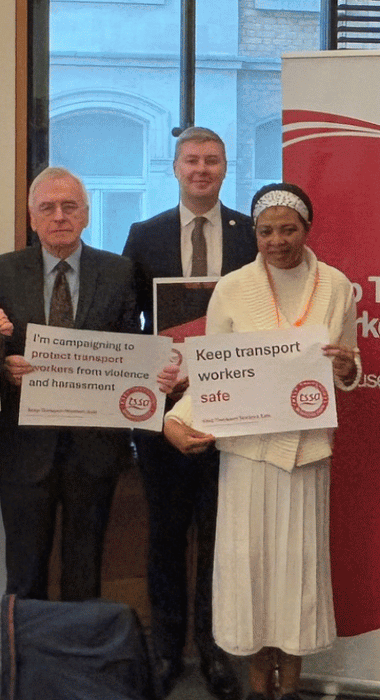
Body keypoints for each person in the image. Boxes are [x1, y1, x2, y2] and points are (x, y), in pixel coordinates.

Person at [162, 182, 360, 700]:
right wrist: (174, 420)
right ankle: (256, 685)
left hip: (306, 453)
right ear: (254, 233)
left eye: (288, 229)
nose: (277, 240)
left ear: (307, 229)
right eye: (266, 230)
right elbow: (213, 371)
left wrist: (347, 367)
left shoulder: (337, 286)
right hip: (247, 455)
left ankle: (290, 688)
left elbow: (350, 364)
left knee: (296, 576)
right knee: (250, 571)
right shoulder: (232, 288)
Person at [121, 126, 256, 700]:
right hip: (167, 415)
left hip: (231, 410)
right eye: (192, 160)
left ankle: (215, 651)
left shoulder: (251, 235)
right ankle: (166, 651)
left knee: (219, 536)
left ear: (226, 168)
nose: (202, 169)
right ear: (174, 167)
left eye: (212, 160)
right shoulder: (144, 234)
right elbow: (128, 321)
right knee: (166, 537)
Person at [0, 165, 142, 601]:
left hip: (95, 449)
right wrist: (3, 363)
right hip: (23, 450)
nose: (59, 216)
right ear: (32, 218)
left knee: (85, 573)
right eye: (47, 208)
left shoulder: (120, 272)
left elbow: (133, 350)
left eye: (70, 207)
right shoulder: (0, 271)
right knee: (24, 575)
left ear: (86, 215)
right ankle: (25, 665)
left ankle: (78, 666)